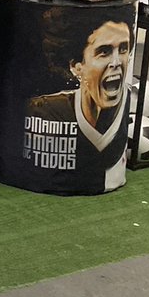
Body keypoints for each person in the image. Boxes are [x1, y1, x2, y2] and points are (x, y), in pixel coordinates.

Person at [28, 17, 131, 189]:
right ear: (76, 67)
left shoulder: (128, 101)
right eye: (104, 52)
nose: (116, 62)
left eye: (123, 49)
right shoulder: (44, 110)